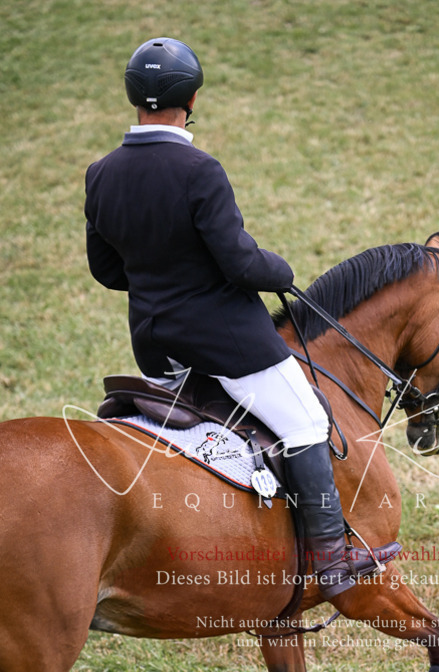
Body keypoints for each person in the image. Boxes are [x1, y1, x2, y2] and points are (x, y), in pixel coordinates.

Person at [85, 37, 397, 599]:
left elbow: (107, 270)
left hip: (156, 347)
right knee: (307, 423)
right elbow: (239, 261)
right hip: (225, 344)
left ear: (134, 95)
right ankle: (330, 559)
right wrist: (279, 269)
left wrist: (164, 279)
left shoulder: (101, 174)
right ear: (193, 97)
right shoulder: (200, 170)